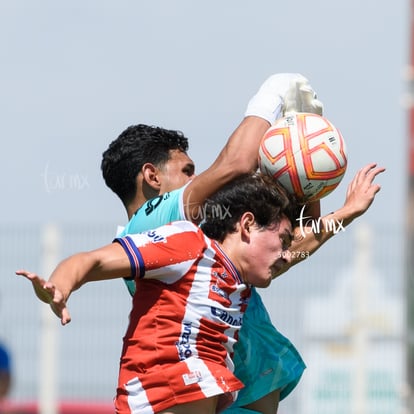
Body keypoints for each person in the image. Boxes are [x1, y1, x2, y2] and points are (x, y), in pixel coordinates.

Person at [100, 73, 324, 414]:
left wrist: (307, 161)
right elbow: (236, 165)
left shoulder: (192, 242)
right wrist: (272, 93)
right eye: (187, 170)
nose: (198, 178)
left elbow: (290, 248)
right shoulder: (150, 223)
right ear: (152, 176)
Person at [16, 172, 299, 414]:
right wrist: (60, 285)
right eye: (283, 240)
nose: (287, 255)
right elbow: (94, 260)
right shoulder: (189, 244)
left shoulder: (239, 284)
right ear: (247, 224)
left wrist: (340, 215)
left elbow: (302, 244)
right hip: (154, 399)